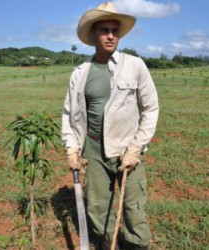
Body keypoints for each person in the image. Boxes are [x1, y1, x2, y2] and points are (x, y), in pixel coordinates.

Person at [62, 2, 159, 249]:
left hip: (127, 150)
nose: (110, 35)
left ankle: (138, 246)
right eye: (104, 30)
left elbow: (150, 109)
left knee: (134, 209)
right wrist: (72, 148)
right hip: (93, 150)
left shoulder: (135, 66)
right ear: (94, 34)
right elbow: (70, 114)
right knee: (97, 207)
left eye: (115, 31)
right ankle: (108, 244)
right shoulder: (81, 72)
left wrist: (135, 148)